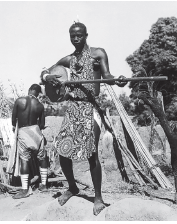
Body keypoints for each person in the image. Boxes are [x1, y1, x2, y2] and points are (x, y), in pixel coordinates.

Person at [41, 22, 127, 215]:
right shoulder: (68, 59)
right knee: (62, 151)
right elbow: (45, 71)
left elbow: (107, 76)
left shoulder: (98, 53)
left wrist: (118, 81)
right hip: (73, 108)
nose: (75, 38)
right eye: (72, 35)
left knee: (91, 153)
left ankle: (98, 197)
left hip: (90, 107)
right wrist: (48, 77)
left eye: (79, 35)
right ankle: (72, 187)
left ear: (86, 35)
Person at [12, 84, 48, 199]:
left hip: (23, 132)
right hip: (36, 132)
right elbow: (42, 125)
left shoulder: (19, 101)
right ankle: (44, 185)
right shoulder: (40, 106)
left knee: (24, 159)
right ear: (38, 93)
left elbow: (13, 121)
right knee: (42, 157)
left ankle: (25, 189)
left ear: (29, 90)